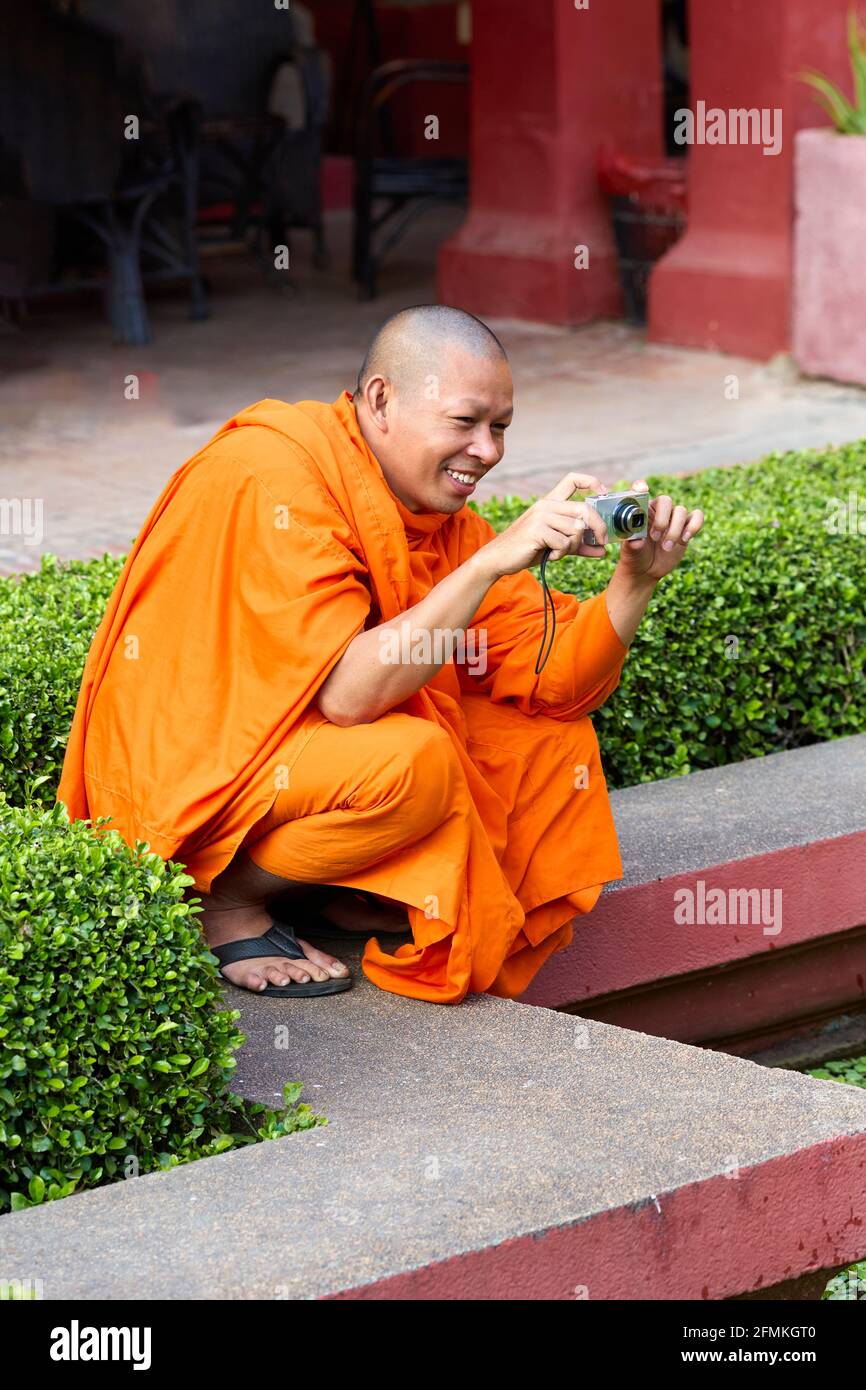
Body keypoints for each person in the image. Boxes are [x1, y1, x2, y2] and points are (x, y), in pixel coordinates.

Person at [56, 305, 703, 1004]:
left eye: (501, 427)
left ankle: (331, 884)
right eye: (465, 422)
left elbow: (556, 683)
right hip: (200, 759)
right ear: (382, 401)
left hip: (300, 753)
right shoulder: (274, 473)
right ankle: (224, 903)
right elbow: (347, 697)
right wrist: (487, 566)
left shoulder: (438, 520)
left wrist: (634, 583)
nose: (486, 450)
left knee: (551, 745)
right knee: (415, 765)